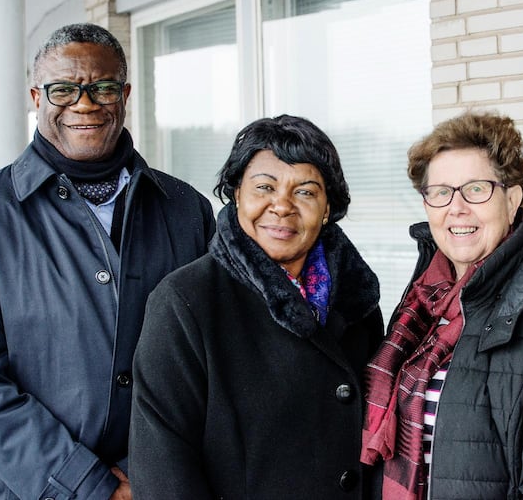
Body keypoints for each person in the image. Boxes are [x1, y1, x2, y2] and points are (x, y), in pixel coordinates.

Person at [0, 23, 215, 499]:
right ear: (36, 96)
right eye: (63, 89)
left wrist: (145, 475)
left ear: (125, 94)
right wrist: (91, 486)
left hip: (162, 485)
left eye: (102, 87)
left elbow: (212, 358)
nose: (84, 103)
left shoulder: (186, 210)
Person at [360, 112, 523, 499]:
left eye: (476, 189)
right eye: (441, 191)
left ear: (512, 198)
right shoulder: (423, 303)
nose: (457, 207)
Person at [128, 114, 384, 499]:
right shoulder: (186, 302)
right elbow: (164, 473)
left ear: (328, 207)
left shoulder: (356, 299)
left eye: (306, 192)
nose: (281, 206)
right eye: (264, 187)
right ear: (236, 193)